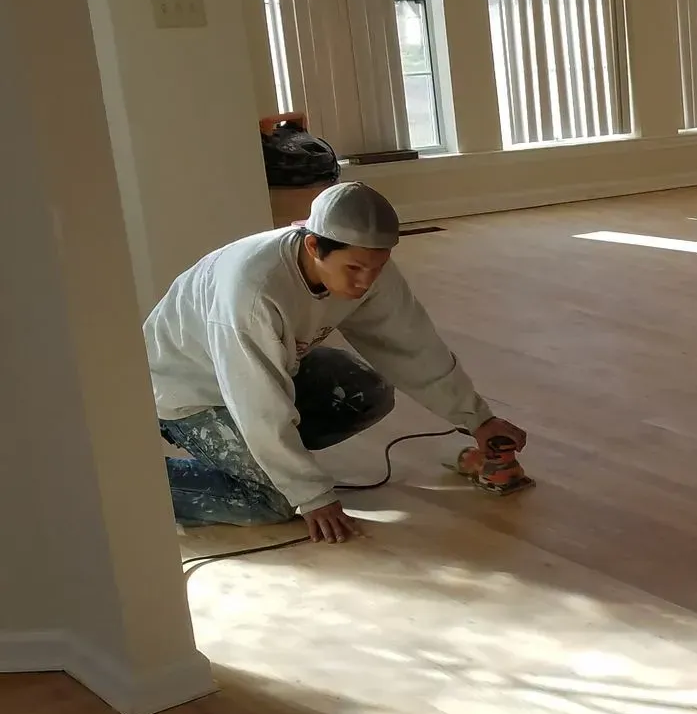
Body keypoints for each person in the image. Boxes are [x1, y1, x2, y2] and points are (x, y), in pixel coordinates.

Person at [145, 181, 526, 544]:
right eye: (354, 269)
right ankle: (135, 481)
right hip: (186, 391)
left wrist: (478, 419)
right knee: (272, 501)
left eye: (376, 267)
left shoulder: (366, 265)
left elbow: (411, 345)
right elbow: (257, 402)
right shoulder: (253, 291)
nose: (365, 281)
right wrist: (309, 494)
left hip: (268, 371)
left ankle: (267, 458)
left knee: (365, 391)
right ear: (313, 245)